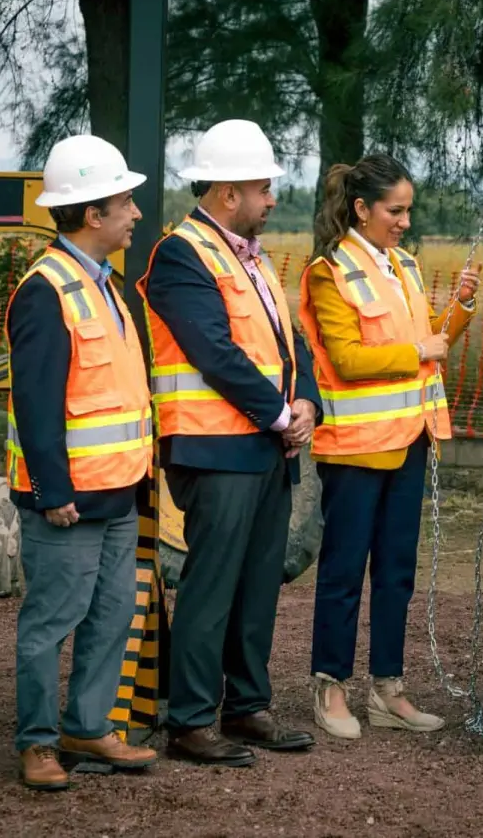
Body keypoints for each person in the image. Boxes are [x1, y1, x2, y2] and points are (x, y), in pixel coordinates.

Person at [139, 119, 320, 766]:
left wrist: (307, 404)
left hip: (265, 445)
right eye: (262, 188)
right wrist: (279, 413)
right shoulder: (181, 253)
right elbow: (212, 350)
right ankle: (190, 720)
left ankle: (247, 706)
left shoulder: (252, 254)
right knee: (212, 586)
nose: (273, 198)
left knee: (257, 585)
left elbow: (289, 342)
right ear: (227, 193)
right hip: (214, 449)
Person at [297, 153, 479, 739]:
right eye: (394, 210)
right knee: (345, 570)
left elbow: (433, 338)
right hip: (354, 449)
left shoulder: (404, 265)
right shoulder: (329, 272)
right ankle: (330, 687)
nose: (404, 221)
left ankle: (388, 689)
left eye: (408, 210)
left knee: (397, 571)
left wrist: (462, 308)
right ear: (361, 209)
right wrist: (422, 350)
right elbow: (348, 359)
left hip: (410, 440)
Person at [5, 135, 159, 790]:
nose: (135, 214)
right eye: (126, 202)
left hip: (117, 493)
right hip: (68, 500)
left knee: (112, 614)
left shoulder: (103, 286)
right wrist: (52, 488)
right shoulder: (47, 291)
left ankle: (88, 725)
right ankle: (38, 742)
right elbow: (36, 402)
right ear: (93, 213)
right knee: (51, 622)